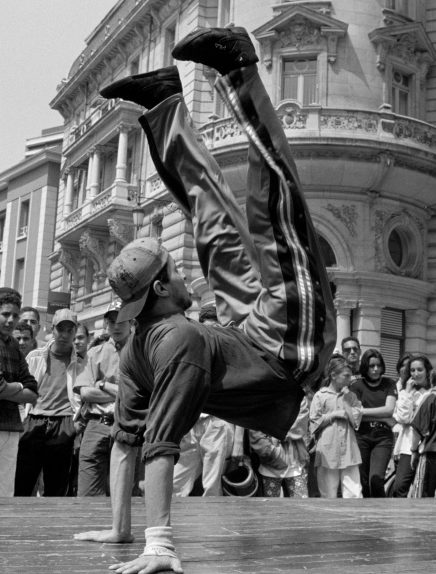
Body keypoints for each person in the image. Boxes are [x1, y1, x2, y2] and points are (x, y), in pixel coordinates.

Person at [74, 26, 336, 574]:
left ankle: (168, 104)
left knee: (209, 216)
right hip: (286, 348)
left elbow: (126, 442)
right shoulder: (182, 338)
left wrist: (121, 529)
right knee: (275, 208)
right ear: (164, 288)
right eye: (173, 270)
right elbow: (160, 445)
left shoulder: (137, 346)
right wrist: (158, 545)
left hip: (246, 333)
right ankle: (239, 68)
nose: (182, 269)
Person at [14, 308, 83, 496]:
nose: (65, 335)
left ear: (75, 332)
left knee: (56, 487)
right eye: (61, 329)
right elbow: (22, 389)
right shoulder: (35, 356)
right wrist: (23, 419)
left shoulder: (81, 362)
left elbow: (83, 397)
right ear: (52, 329)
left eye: (70, 330)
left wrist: (76, 425)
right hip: (34, 419)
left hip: (64, 422)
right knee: (22, 483)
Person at [173, 305, 234, 497]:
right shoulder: (191, 351)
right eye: (207, 328)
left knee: (211, 485)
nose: (211, 333)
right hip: (191, 424)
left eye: (215, 327)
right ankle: (172, 524)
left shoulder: (230, 356)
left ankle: (211, 527)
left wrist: (239, 441)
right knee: (175, 483)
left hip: (217, 423)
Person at [75, 300, 133, 496]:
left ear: (131, 322)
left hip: (128, 425)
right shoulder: (94, 353)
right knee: (88, 492)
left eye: (122, 320)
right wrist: (119, 392)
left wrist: (102, 384)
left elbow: (137, 395)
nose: (116, 326)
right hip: (96, 425)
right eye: (112, 321)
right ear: (106, 324)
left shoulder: (141, 351)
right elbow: (85, 393)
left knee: (126, 493)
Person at [0, 287, 38, 496]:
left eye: (15, 315)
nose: (11, 320)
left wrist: (11, 388)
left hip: (12, 427)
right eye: (5, 314)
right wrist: (20, 389)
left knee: (5, 494)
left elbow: (33, 389)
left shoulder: (14, 345)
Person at [310, 356, 362, 498]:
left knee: (354, 492)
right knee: (328, 493)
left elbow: (356, 419)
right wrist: (333, 415)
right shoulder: (320, 396)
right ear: (333, 375)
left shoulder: (351, 396)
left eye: (350, 376)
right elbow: (313, 423)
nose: (350, 379)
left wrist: (346, 403)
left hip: (349, 450)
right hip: (328, 451)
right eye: (346, 376)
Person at [351, 348, 397, 497]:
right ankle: (366, 517)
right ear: (365, 366)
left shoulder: (389, 383)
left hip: (383, 437)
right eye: (371, 366)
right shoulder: (356, 386)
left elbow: (389, 410)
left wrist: (363, 412)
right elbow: (354, 415)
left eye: (378, 365)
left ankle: (381, 514)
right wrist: (383, 417)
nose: (376, 369)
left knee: (376, 479)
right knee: (362, 481)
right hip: (361, 436)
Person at [249, 397, 310, 497]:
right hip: (270, 462)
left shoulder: (299, 398)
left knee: (301, 506)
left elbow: (300, 423)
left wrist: (275, 433)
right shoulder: (260, 397)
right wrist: (270, 451)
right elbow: (255, 426)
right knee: (271, 507)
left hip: (296, 460)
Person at [391, 354, 432, 497]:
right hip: (408, 446)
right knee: (399, 486)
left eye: (420, 370)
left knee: (425, 490)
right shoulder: (405, 392)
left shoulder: (431, 393)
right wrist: (407, 392)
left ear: (427, 371)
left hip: (428, 446)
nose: (415, 374)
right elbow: (402, 418)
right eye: (412, 370)